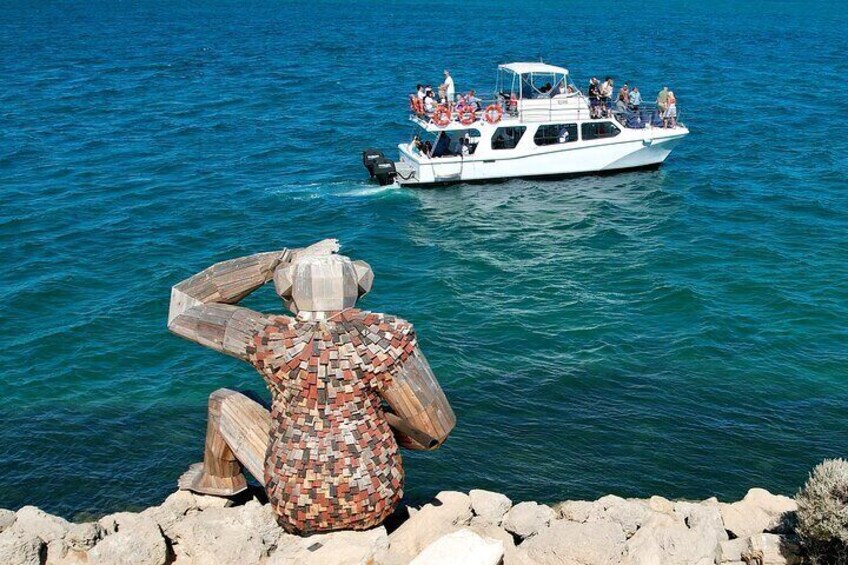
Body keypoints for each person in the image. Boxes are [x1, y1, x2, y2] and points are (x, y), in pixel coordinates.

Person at [168, 241, 455, 534]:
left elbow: (184, 306)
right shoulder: (388, 338)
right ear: (358, 286)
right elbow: (434, 430)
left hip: (296, 503)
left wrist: (281, 259)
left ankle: (220, 481)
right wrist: (377, 433)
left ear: (288, 290)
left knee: (225, 401)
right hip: (374, 499)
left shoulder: (268, 338)